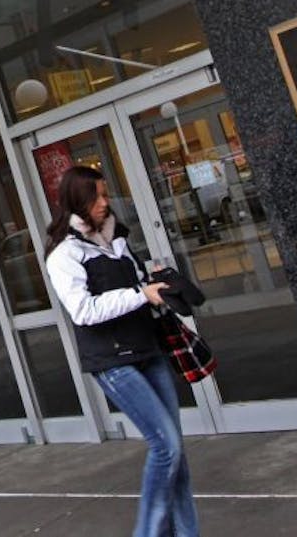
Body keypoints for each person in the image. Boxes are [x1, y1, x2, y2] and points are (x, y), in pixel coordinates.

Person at [43, 165, 199, 537]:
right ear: (76, 201)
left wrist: (155, 287)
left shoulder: (118, 240)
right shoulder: (64, 254)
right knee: (166, 447)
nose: (104, 202)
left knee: (175, 454)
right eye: (95, 196)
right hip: (113, 361)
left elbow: (137, 289)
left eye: (104, 194)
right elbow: (83, 311)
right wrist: (138, 295)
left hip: (148, 349)